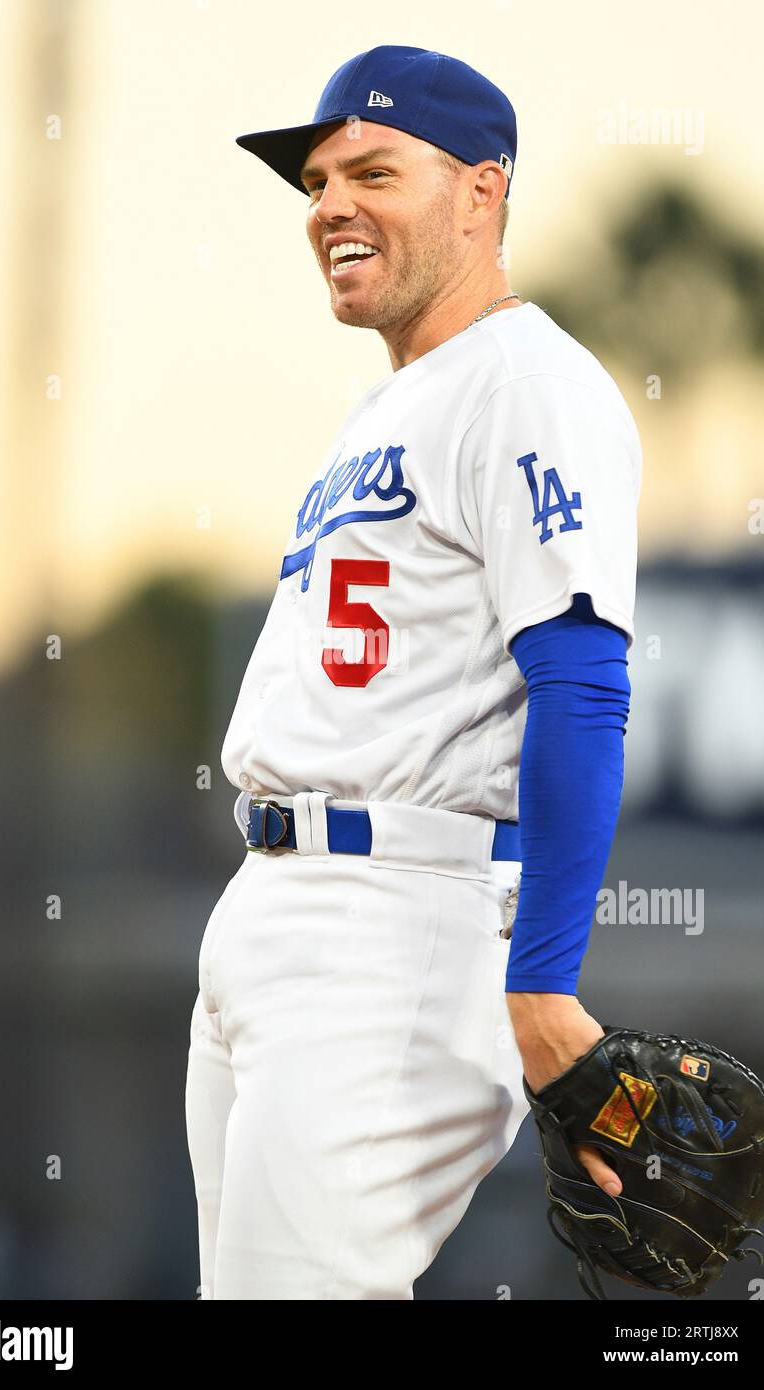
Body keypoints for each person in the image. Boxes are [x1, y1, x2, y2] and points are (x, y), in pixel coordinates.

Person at [185, 44, 641, 1300]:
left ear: (482, 191)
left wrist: (544, 982)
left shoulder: (529, 384)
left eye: (373, 170)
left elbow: (581, 686)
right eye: (318, 179)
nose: (330, 203)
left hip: (394, 922)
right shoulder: (392, 404)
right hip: (274, 908)